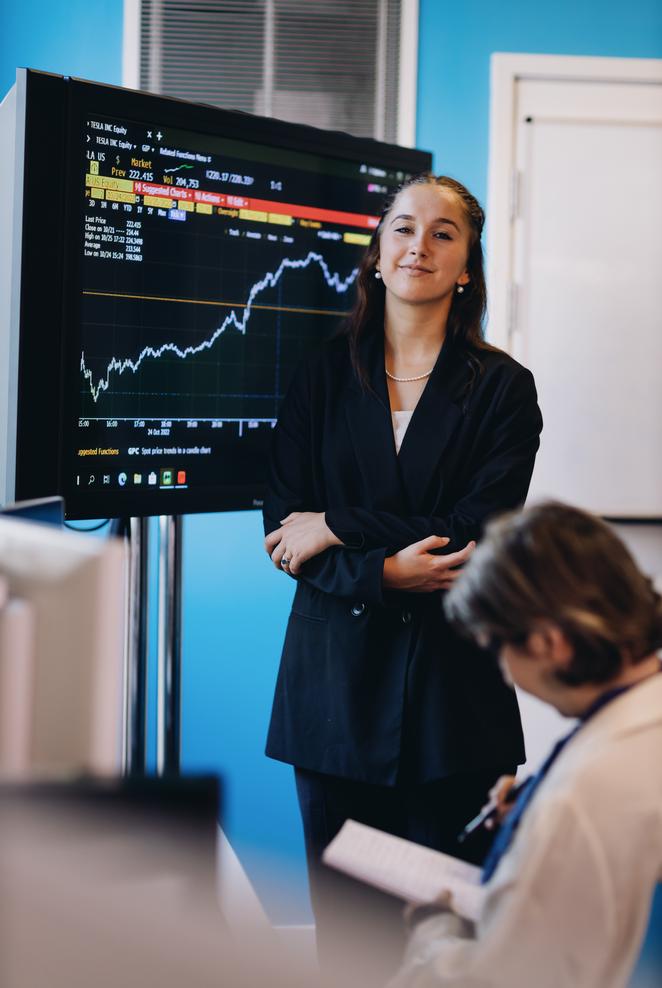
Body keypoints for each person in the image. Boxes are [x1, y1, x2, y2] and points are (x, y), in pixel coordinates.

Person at [262, 174, 542, 980]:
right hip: (332, 700)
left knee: (448, 946)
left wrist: (342, 527)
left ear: (466, 267)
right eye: (402, 229)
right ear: (378, 254)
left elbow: (475, 531)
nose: (419, 244)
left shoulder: (503, 390)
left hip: (452, 709)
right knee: (349, 943)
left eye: (443, 233)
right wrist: (385, 570)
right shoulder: (319, 376)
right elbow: (283, 532)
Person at [390, 501, 662, 988]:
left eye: (498, 648)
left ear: (549, 644)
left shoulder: (578, 798)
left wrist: (434, 928)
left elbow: (500, 980)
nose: (504, 670)